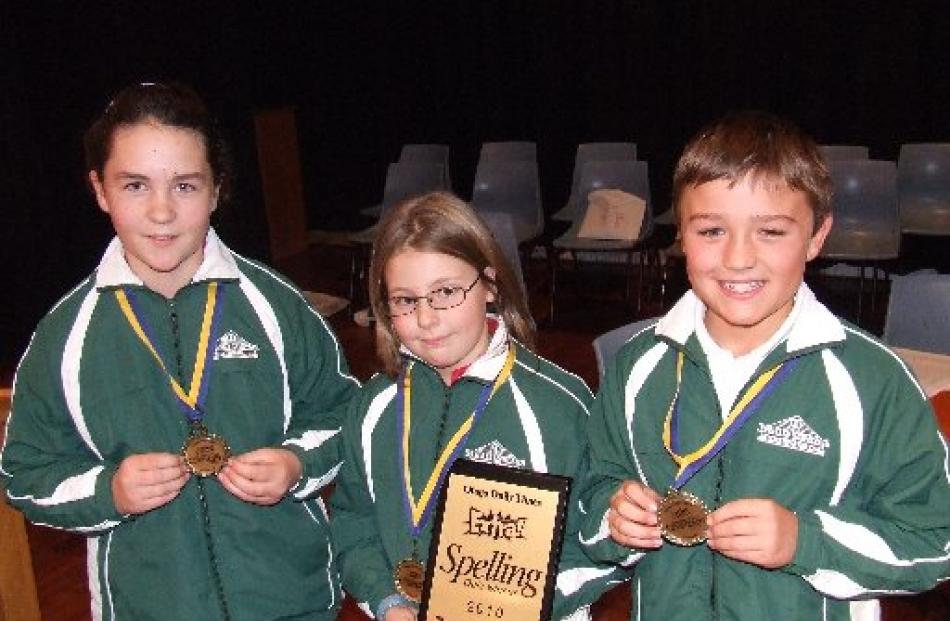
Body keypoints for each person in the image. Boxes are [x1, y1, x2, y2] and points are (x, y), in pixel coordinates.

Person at [0, 82, 360, 620]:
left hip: (293, 604)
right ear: (100, 190)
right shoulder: (64, 336)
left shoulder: (276, 306)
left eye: (186, 185)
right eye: (136, 185)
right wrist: (110, 491)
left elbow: (344, 417)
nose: (162, 211)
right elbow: (24, 476)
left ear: (216, 191)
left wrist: (295, 463)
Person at [578, 111, 950, 620]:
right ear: (680, 235)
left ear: (817, 237)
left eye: (771, 232)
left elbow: (935, 540)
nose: (737, 259)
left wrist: (807, 542)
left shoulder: (873, 380)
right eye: (711, 230)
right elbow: (594, 489)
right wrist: (612, 518)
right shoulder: (638, 364)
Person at [330, 192, 626, 621]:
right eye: (405, 301)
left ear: (489, 285)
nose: (426, 319)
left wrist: (508, 609)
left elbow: (599, 553)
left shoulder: (558, 406)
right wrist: (387, 600)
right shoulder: (374, 404)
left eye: (446, 292)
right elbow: (353, 522)